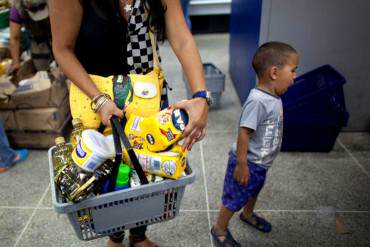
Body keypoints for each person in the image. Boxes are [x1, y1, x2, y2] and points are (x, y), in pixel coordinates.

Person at [49, 0, 209, 246]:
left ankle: (138, 234)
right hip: (97, 100)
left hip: (147, 97)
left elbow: (182, 38)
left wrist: (201, 96)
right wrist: (100, 100)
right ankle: (114, 233)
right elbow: (62, 49)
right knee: (105, 172)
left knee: (145, 169)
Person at [211, 42, 299, 246]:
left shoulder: (273, 95)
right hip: (248, 163)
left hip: (260, 163)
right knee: (234, 197)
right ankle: (219, 229)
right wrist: (242, 165)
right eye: (293, 71)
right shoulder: (258, 100)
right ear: (275, 72)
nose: (294, 77)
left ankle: (248, 214)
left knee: (254, 189)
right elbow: (244, 132)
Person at [9, 0, 52, 73]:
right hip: (37, 44)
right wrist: (16, 62)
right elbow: (14, 38)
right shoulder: (18, 7)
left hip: (58, 35)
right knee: (43, 74)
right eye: (34, 10)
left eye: (42, 7)